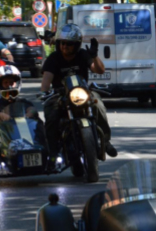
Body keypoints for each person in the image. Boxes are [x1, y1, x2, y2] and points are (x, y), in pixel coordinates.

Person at [40, 23, 117, 160]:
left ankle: (105, 140)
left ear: (76, 45)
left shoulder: (83, 55)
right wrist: (45, 93)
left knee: (99, 105)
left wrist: (94, 56)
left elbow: (99, 70)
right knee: (51, 114)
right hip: (60, 95)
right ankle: (53, 151)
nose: (64, 46)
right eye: (62, 43)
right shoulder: (53, 58)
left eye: (68, 44)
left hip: (83, 93)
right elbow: (46, 81)